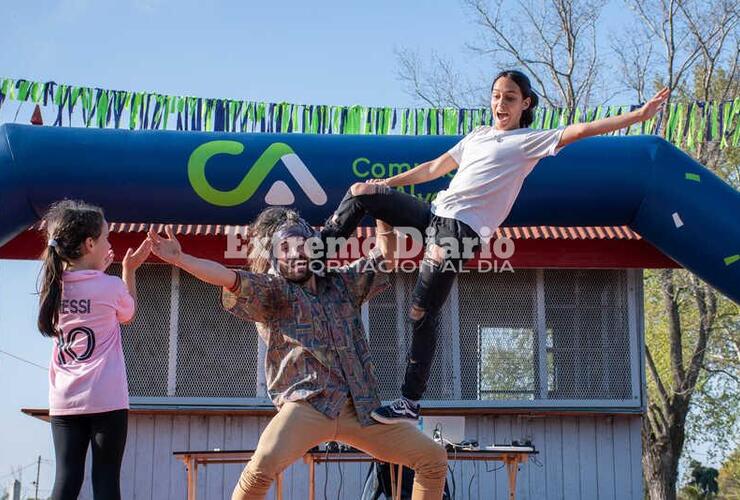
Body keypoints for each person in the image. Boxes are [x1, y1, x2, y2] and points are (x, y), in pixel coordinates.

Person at [322, 70, 670, 423]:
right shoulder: (478, 136)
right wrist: (386, 182)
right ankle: (318, 257)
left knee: (420, 310)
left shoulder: (526, 142)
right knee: (362, 192)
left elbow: (580, 131)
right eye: (496, 96)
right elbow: (434, 167)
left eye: (510, 98)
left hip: (461, 232)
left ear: (525, 104)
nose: (500, 104)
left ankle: (409, 401)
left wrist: (638, 117)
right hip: (435, 214)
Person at [146, 208, 448, 500]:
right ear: (275, 258)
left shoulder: (343, 284)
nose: (295, 254)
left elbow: (387, 253)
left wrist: (382, 206)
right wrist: (180, 259)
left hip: (360, 408)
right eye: (285, 249)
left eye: (301, 245)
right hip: (307, 406)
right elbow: (226, 277)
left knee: (432, 458)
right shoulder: (274, 291)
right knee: (261, 467)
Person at [37, 199, 151, 500]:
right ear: (90, 244)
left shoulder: (53, 287)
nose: (108, 243)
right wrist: (129, 270)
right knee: (106, 480)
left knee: (66, 480)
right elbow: (128, 314)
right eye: (105, 238)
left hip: (64, 400)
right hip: (106, 398)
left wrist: (98, 270)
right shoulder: (110, 286)